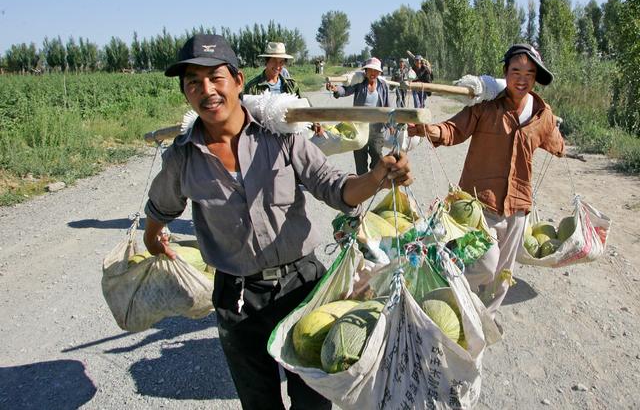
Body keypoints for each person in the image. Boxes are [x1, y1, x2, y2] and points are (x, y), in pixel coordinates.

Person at [143, 34, 412, 410]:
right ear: (186, 92)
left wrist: (376, 178)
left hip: (301, 288)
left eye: (215, 77)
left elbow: (334, 188)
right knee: (259, 403)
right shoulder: (182, 158)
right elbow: (160, 207)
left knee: (314, 401)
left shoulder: (281, 136)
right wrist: (153, 237)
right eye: (193, 82)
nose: (206, 90)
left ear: (238, 80)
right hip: (237, 300)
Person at [408, 43, 565, 320]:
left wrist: (559, 138)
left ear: (536, 78)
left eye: (529, 73)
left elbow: (557, 145)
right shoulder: (486, 107)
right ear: (505, 73)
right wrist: (429, 130)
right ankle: (442, 294)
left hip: (517, 208)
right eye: (516, 71)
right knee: (486, 264)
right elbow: (453, 129)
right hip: (478, 207)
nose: (522, 78)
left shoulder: (543, 115)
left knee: (502, 277)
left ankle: (484, 320)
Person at [325, 57, 391, 175]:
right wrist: (336, 89)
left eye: (375, 71)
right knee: (360, 155)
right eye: (370, 70)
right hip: (359, 126)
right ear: (365, 72)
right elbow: (346, 90)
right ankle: (362, 181)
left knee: (377, 153)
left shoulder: (383, 86)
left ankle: (374, 177)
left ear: (379, 73)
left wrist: (391, 123)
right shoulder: (360, 84)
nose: (373, 73)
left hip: (377, 126)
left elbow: (387, 105)